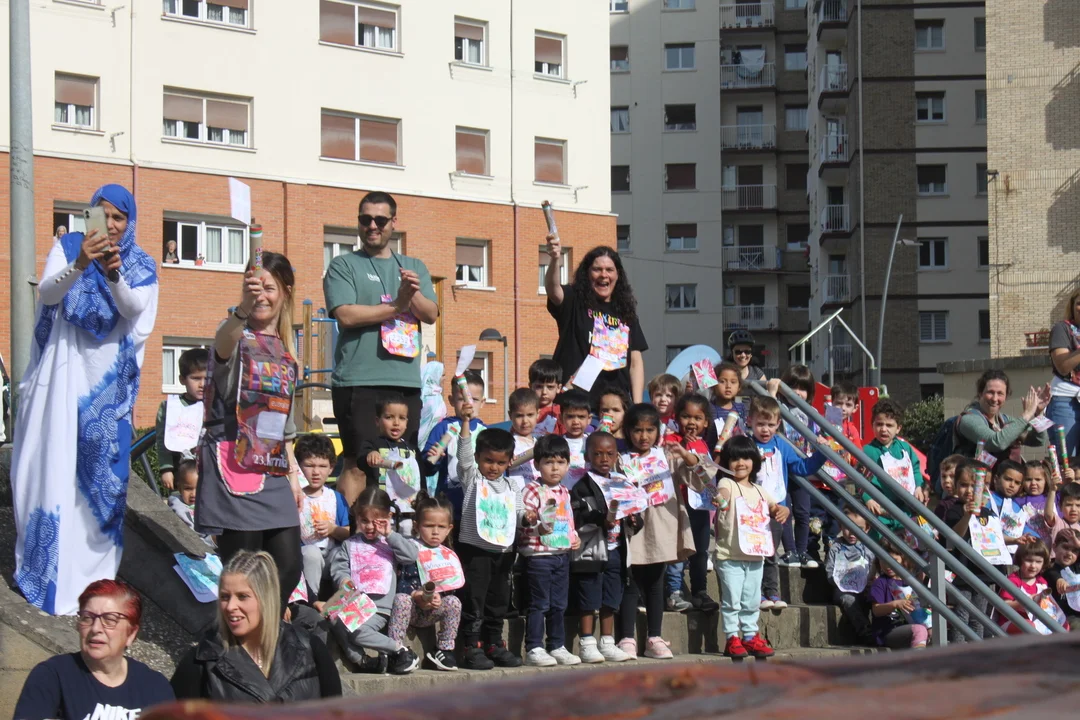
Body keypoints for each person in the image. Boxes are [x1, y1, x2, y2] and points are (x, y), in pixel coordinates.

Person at [12, 183, 158, 615]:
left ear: (130, 222)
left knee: (101, 487)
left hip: (106, 388)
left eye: (119, 217)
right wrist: (80, 263)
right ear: (89, 213)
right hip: (61, 378)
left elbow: (133, 309)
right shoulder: (68, 246)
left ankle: (93, 586)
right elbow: (48, 293)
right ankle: (49, 577)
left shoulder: (140, 263)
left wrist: (113, 273)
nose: (110, 224)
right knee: (49, 471)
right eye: (102, 214)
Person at [195, 251, 303, 609]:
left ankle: (266, 634)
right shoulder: (235, 334)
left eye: (269, 288)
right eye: (255, 288)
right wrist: (241, 309)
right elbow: (221, 344)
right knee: (244, 572)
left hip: (273, 466)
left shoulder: (287, 349)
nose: (262, 297)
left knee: (288, 567)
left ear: (285, 292)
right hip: (235, 459)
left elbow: (286, 422)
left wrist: (293, 476)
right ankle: (242, 638)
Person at [324, 191, 439, 507]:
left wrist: (412, 294)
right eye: (366, 219)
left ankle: (401, 527)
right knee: (358, 463)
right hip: (358, 381)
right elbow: (346, 315)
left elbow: (430, 313)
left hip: (405, 383)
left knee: (405, 462)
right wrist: (397, 305)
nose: (372, 226)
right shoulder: (343, 265)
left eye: (380, 219)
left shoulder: (413, 266)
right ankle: (353, 532)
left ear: (393, 222)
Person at [171, 550, 341, 701]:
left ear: (266, 598)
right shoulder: (202, 661)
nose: (230, 606)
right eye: (224, 597)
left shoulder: (310, 647)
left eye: (242, 596)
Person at [14, 580, 174, 720]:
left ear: (131, 633)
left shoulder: (155, 688)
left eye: (109, 620)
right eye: (87, 618)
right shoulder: (53, 676)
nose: (96, 628)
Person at [620, 403, 696, 659]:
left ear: (658, 431)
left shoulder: (668, 457)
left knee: (655, 582)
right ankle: (626, 637)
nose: (644, 436)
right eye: (637, 430)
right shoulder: (621, 459)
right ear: (628, 431)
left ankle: (654, 637)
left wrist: (685, 454)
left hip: (661, 526)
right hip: (632, 527)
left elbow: (701, 479)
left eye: (650, 430)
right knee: (630, 582)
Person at [708, 436, 789, 658]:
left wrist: (783, 510)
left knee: (752, 600)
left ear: (755, 460)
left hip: (755, 555)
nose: (740, 463)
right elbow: (722, 496)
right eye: (734, 459)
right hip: (729, 555)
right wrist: (720, 500)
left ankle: (750, 636)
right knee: (732, 600)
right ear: (727, 462)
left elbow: (774, 507)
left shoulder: (760, 490)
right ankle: (732, 638)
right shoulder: (727, 484)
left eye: (745, 458)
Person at [328, 486, 421, 675]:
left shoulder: (391, 542)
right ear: (357, 517)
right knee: (331, 615)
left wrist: (390, 534)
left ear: (388, 517)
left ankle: (400, 650)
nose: (370, 527)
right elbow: (339, 568)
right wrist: (344, 580)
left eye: (376, 521)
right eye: (364, 521)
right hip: (352, 600)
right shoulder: (349, 544)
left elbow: (411, 556)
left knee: (358, 631)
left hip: (378, 606)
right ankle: (363, 661)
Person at [455, 416, 524, 669]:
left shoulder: (512, 486)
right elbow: (463, 458)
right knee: (474, 599)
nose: (494, 467)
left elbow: (518, 514)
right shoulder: (473, 479)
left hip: (503, 552)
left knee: (498, 600)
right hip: (475, 551)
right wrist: (465, 422)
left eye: (500, 462)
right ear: (477, 457)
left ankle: (495, 644)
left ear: (510, 461)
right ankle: (471, 646)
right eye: (488, 460)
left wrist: (529, 518)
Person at [746, 396, 827, 609]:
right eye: (760, 424)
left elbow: (801, 467)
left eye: (770, 424)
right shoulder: (746, 445)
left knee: (771, 553)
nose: (765, 429)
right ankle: (756, 593)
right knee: (754, 554)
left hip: (776, 510)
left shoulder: (781, 445)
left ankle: (771, 592)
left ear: (778, 424)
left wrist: (822, 454)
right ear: (750, 421)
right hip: (751, 510)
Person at [545, 241, 648, 403]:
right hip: (576, 405)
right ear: (587, 273)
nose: (603, 275)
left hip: (615, 406)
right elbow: (553, 290)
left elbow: (635, 364)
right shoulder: (574, 300)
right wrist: (555, 259)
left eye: (609, 270)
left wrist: (637, 406)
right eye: (597, 269)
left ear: (618, 275)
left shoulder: (626, 312)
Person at [570, 432, 640, 663]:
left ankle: (607, 642)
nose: (604, 459)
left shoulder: (621, 482)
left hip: (617, 548)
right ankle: (587, 642)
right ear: (587, 456)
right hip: (591, 550)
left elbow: (634, 512)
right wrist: (602, 519)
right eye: (597, 454)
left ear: (616, 456)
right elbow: (577, 516)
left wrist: (633, 521)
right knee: (589, 595)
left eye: (609, 454)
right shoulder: (582, 487)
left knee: (612, 595)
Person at [520, 434, 581, 667]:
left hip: (561, 555)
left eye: (560, 462)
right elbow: (525, 521)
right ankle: (534, 647)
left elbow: (568, 519)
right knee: (540, 603)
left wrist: (574, 537)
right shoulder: (532, 490)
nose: (555, 468)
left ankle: (557, 645)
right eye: (548, 462)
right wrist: (535, 524)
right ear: (537, 464)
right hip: (538, 556)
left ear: (568, 464)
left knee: (559, 604)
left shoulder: (565, 491)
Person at [387, 491, 463, 671]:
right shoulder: (410, 549)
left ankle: (444, 649)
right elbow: (401, 581)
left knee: (454, 602)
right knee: (401, 599)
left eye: (441, 527)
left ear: (449, 528)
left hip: (432, 611)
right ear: (416, 525)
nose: (435, 532)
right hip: (411, 610)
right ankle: (395, 650)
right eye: (429, 525)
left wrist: (439, 598)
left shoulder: (447, 555)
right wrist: (415, 594)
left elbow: (450, 586)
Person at [663, 394, 720, 613]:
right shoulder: (671, 441)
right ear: (677, 418)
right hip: (678, 505)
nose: (692, 422)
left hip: (700, 506)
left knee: (700, 550)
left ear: (706, 422)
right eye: (686, 416)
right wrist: (683, 450)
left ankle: (700, 592)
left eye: (698, 418)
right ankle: (674, 591)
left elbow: (706, 476)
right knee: (678, 548)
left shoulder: (703, 444)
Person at [422, 370, 487, 522]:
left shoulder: (485, 432)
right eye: (462, 399)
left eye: (474, 399)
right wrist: (433, 458)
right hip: (448, 504)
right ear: (451, 400)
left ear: (482, 402)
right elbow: (427, 467)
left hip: (478, 506)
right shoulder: (443, 428)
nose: (468, 404)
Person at [359, 392, 423, 535]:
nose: (396, 423)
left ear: (407, 422)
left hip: (408, 512)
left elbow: (421, 478)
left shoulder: (412, 449)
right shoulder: (373, 444)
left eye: (402, 418)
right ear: (377, 421)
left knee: (407, 540)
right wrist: (370, 455)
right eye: (389, 417)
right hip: (380, 510)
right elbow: (361, 460)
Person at [953, 369, 1050, 463]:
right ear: (980, 393)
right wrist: (1027, 415)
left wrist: (1039, 414)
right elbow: (996, 443)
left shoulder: (1004, 420)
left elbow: (1039, 440)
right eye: (990, 392)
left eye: (1000, 393)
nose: (995, 399)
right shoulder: (968, 419)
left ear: (1006, 396)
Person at [296, 434, 350, 600]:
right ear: (298, 466)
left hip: (331, 554)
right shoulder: (294, 497)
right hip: (305, 556)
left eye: (322, 466)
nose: (316, 472)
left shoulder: (336, 498)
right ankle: (311, 601)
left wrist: (333, 529)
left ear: (331, 468)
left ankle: (344, 600)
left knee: (341, 554)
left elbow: (350, 532)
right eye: (309, 465)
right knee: (311, 553)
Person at [861, 399, 928, 533]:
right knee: (881, 541)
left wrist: (918, 487)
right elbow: (860, 479)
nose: (883, 429)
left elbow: (915, 469)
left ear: (898, 428)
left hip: (906, 510)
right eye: (879, 424)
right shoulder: (868, 451)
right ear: (872, 425)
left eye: (889, 425)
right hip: (881, 511)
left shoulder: (905, 448)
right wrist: (868, 499)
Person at [155, 346, 208, 491]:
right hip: (181, 475)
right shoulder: (169, 407)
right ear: (182, 379)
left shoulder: (215, 407)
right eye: (196, 378)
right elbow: (162, 440)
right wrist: (166, 469)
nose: (202, 384)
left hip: (208, 473)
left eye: (207, 378)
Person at [825, 508, 876, 646]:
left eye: (859, 529)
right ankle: (865, 630)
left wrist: (871, 581)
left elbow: (874, 567)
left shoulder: (868, 548)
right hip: (843, 589)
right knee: (849, 599)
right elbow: (829, 571)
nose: (852, 533)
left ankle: (883, 629)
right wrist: (839, 580)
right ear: (841, 527)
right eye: (848, 528)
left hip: (865, 586)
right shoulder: (836, 547)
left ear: (867, 529)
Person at [998, 539, 1068, 633]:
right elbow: (1003, 605)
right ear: (1020, 560)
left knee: (1064, 624)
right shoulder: (1013, 580)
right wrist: (1022, 604)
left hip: (1036, 621)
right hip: (1011, 621)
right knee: (1028, 625)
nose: (1033, 566)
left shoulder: (1041, 582)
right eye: (1029, 560)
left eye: (1038, 562)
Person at [868, 548, 929, 649]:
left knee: (933, 631)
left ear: (904, 560)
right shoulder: (880, 583)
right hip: (887, 632)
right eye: (883, 560)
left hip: (911, 625)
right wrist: (895, 604)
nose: (887, 565)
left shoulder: (910, 582)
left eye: (894, 560)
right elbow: (876, 610)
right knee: (919, 630)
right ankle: (919, 658)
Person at [1048, 288, 1080, 458]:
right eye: (1079, 303)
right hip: (1067, 401)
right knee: (1067, 459)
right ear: (1072, 306)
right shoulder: (1062, 329)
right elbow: (1063, 366)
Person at [167, 460, 215, 548]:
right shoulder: (179, 506)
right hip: (196, 543)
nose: (193, 494)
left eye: (199, 489)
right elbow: (191, 534)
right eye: (188, 489)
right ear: (179, 488)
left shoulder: (208, 502)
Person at [556, 389, 593, 489]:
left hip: (588, 493)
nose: (576, 422)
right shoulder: (556, 443)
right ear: (560, 418)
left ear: (589, 419)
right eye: (570, 417)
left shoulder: (593, 442)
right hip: (565, 493)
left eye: (581, 417)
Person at [508, 388, 540, 488]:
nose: (525, 421)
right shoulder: (508, 443)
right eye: (519, 416)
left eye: (530, 415)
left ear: (538, 414)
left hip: (538, 494)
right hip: (517, 494)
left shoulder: (539, 443)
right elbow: (506, 464)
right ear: (510, 416)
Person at [530, 358, 563, 436]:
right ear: (530, 386)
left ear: (558, 388)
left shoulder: (561, 412)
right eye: (539, 386)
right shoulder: (525, 411)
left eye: (550, 387)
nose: (544, 392)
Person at [648, 373, 681, 438]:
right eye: (658, 395)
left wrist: (676, 433)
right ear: (651, 398)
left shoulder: (679, 420)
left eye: (668, 396)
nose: (663, 399)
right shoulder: (647, 418)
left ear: (676, 400)